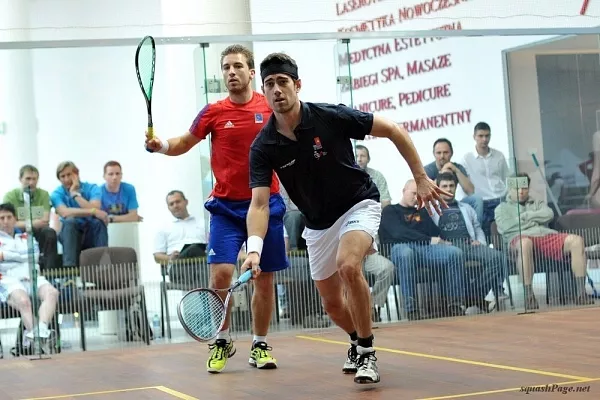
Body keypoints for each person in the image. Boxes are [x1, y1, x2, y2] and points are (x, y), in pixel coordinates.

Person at [241, 52, 449, 385]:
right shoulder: (263, 145)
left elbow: (393, 130)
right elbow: (260, 205)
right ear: (263, 91)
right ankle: (355, 339)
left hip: (358, 203)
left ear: (297, 85)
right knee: (332, 304)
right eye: (269, 84)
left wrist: (421, 177)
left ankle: (367, 353)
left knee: (349, 266)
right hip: (318, 224)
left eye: (283, 82)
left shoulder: (330, 116)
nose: (277, 90)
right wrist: (254, 249)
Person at [144, 44, 288, 374]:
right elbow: (183, 142)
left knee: (262, 279)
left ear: (252, 73)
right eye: (225, 67)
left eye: (237, 66)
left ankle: (260, 344)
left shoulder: (271, 107)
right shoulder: (213, 111)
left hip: (266, 205)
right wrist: (161, 145)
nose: (231, 72)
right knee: (221, 274)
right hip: (225, 208)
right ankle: (221, 339)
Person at [0, 203, 60, 343]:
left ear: (15, 219)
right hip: (8, 279)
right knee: (23, 301)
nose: (6, 221)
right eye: (2, 218)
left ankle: (41, 330)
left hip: (32, 276)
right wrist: (22, 255)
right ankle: (37, 341)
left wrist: (7, 255)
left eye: (9, 217)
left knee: (52, 293)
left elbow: (34, 255)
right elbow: (27, 255)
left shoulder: (27, 237)